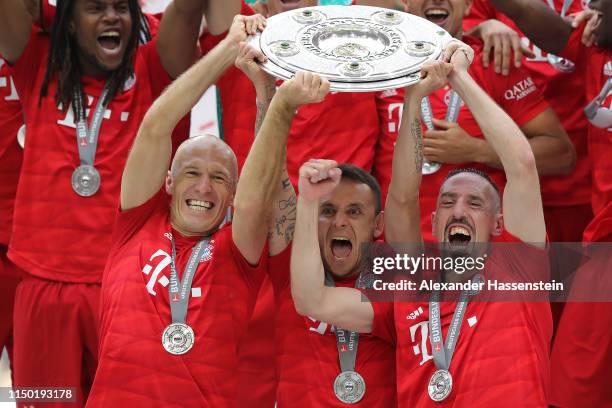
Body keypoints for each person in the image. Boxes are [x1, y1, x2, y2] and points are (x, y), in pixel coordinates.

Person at [88, 15, 335, 406]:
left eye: (219, 179)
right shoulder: (135, 223)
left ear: (233, 192)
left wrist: (280, 105)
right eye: (191, 173)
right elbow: (156, 126)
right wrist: (228, 48)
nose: (203, 187)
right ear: (168, 182)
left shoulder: (236, 253)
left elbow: (257, 198)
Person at [291, 41, 552, 406]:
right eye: (447, 201)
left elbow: (522, 163)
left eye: (474, 202)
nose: (458, 210)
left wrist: (459, 77)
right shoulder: (409, 290)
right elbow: (311, 298)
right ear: (435, 219)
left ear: (498, 225)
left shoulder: (518, 269)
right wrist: (413, 101)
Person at [0, 0, 228, 403]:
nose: (112, 17)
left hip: (129, 289)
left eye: (121, 8)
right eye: (95, 8)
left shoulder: (153, 70)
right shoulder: (39, 62)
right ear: (68, 24)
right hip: (43, 290)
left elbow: (190, 12)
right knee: (45, 400)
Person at [487, 0, 612, 405]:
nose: (589, 5)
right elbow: (548, 28)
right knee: (572, 382)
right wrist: (487, 21)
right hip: (600, 243)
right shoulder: (596, 50)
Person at [375, 0, 575, 243]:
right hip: (406, 250)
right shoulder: (381, 69)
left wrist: (477, 150)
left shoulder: (492, 61)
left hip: (487, 255)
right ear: (405, 2)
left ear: (469, 6)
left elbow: (561, 153)